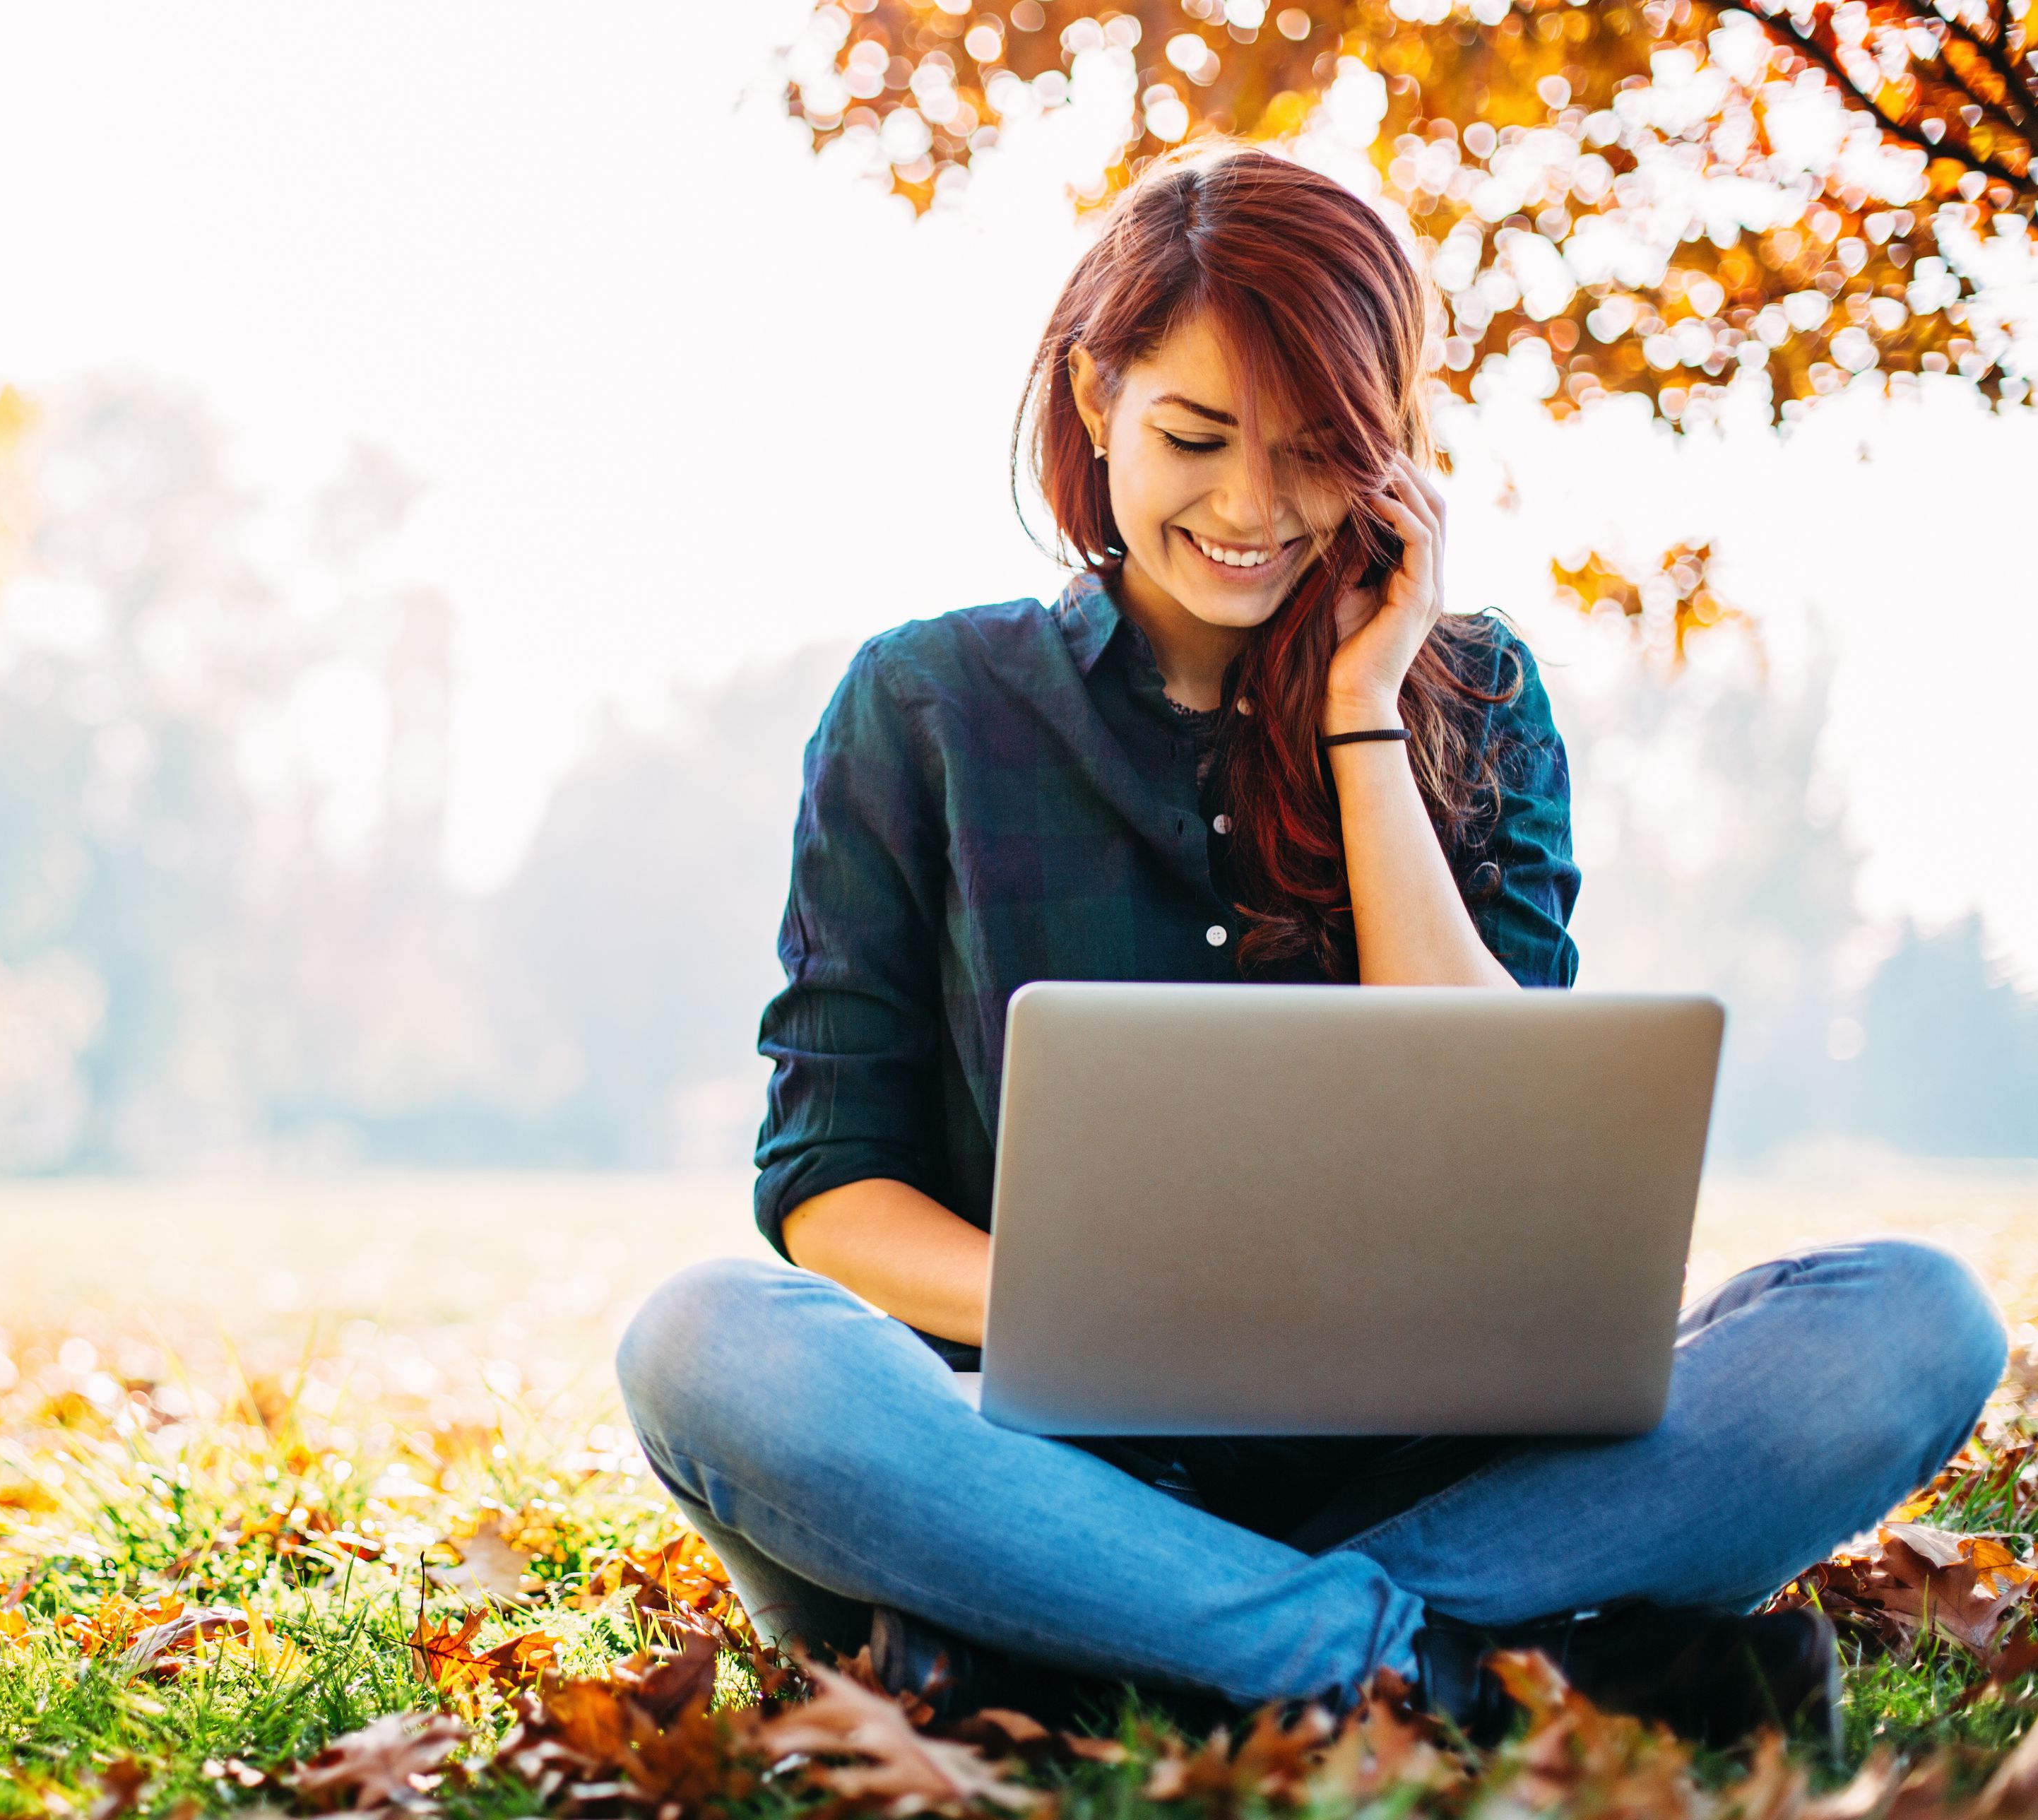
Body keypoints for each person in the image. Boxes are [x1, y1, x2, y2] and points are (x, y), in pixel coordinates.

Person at [612, 142, 2007, 1746]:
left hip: (1439, 1467)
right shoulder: (920, 705)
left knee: (1914, 1318)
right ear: (1091, 397)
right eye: (1192, 438)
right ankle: (1436, 1669)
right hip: (1022, 1468)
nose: (1251, 511)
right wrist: (1101, 1324)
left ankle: (1139, 1651)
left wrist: (1362, 718)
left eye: (1318, 452)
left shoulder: (1473, 698)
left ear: (1391, 449)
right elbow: (825, 1184)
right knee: (704, 1343)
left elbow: (1502, 1128)